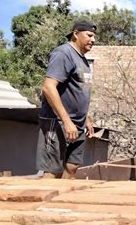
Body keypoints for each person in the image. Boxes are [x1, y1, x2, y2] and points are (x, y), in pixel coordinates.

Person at [36, 20, 97, 179]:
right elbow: (48, 87)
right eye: (89, 35)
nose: (93, 40)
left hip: (78, 123)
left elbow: (80, 92)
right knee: (53, 170)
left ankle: (62, 202)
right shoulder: (63, 53)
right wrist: (67, 121)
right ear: (76, 34)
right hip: (58, 122)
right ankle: (45, 203)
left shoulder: (83, 60)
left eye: (94, 36)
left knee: (72, 166)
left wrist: (87, 119)